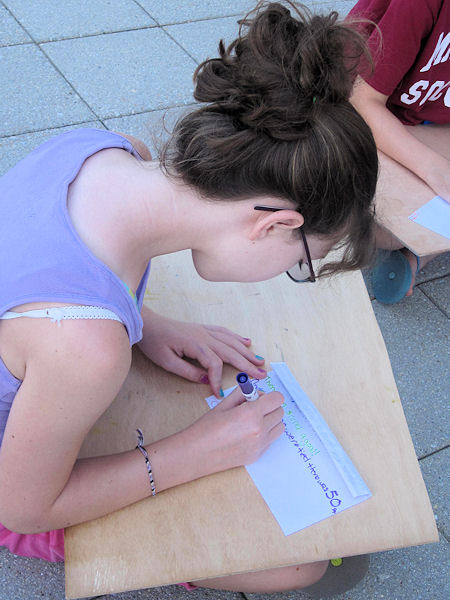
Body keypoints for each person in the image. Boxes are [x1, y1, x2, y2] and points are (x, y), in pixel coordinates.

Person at [0, 2, 378, 594]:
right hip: (19, 481)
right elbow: (22, 509)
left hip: (48, 380)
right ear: (275, 224)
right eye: (301, 262)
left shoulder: (105, 150)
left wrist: (143, 321)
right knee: (299, 565)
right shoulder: (86, 347)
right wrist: (197, 451)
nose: (289, 271)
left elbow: (44, 265)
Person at [349, 0, 450, 304]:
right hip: (365, 122)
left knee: (404, 226)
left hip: (425, 127)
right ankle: (415, 245)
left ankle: (419, 253)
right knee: (376, 233)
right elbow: (361, 101)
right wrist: (435, 170)